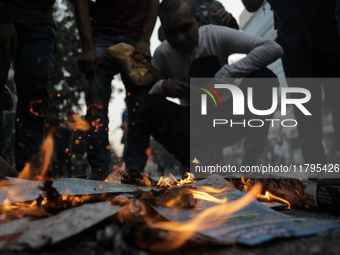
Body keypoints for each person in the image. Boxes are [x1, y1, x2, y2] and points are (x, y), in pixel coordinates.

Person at [142, 0, 283, 168]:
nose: (180, 38)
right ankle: (193, 165)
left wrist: (226, 74)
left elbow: (273, 48)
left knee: (265, 78)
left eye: (186, 27)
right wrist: (162, 86)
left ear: (198, 21)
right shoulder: (162, 54)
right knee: (148, 107)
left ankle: (251, 159)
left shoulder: (214, 34)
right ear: (163, 31)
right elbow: (144, 95)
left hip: (228, 119)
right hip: (194, 128)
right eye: (171, 32)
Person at [242, 0, 340, 166]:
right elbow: (252, 5)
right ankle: (317, 173)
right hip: (294, 37)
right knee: (305, 110)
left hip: (329, 27)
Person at [73, 0, 159, 180]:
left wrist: (144, 39)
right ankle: (99, 171)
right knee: (95, 106)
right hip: (101, 36)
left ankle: (135, 170)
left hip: (135, 38)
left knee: (140, 107)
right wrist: (88, 47)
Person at [0, 0, 57, 172]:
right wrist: (3, 15)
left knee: (36, 97)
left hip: (41, 18)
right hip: (8, 10)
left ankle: (29, 171)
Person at [158, 0, 239, 41]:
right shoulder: (179, 5)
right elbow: (163, 34)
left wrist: (230, 20)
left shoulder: (215, 5)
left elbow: (235, 35)